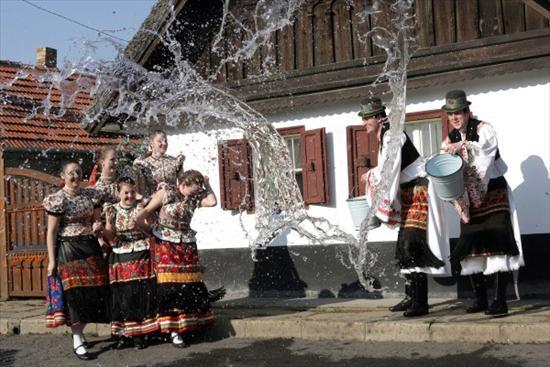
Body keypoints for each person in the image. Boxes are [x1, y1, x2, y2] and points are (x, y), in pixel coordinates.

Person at [359, 97, 451, 317]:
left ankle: (421, 303)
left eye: (366, 119)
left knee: (413, 243)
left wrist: (370, 175)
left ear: (378, 118)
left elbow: (390, 169)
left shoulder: (393, 135)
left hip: (420, 190)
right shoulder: (386, 135)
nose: (364, 124)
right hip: (408, 191)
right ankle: (411, 296)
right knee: (403, 245)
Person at [440, 90, 524, 315]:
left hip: (493, 190)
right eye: (451, 114)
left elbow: (485, 155)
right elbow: (446, 165)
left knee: (497, 244)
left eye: (458, 112)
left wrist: (463, 149)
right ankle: (481, 299)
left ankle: (500, 301)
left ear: (467, 111)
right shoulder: (451, 138)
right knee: (471, 245)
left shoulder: (483, 129)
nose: (455, 117)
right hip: (469, 197)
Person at [135, 170, 217, 347]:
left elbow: (212, 202)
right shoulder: (166, 192)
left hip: (186, 245)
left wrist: (207, 184)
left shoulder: (194, 199)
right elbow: (144, 213)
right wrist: (152, 233)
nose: (196, 193)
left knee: (188, 285)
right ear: (183, 184)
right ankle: (172, 330)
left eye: (198, 190)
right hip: (166, 245)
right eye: (194, 190)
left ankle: (187, 325)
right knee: (170, 287)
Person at [43, 162, 110, 360]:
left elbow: (95, 222)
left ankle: (81, 331)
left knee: (93, 293)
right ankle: (77, 338)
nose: (75, 176)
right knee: (75, 295)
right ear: (63, 175)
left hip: (90, 247)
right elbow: (52, 232)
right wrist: (52, 260)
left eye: (78, 172)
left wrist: (100, 236)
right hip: (69, 249)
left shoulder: (91, 195)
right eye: (71, 172)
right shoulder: (57, 200)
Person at [101, 177, 158, 349]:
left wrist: (140, 225)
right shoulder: (112, 210)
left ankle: (140, 335)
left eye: (132, 192)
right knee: (123, 296)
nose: (130, 195)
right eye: (126, 192)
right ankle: (124, 335)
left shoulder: (142, 208)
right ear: (118, 194)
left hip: (141, 252)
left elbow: (150, 230)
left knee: (140, 294)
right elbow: (111, 235)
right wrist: (101, 231)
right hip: (120, 254)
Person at [132, 130, 185, 197]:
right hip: (152, 200)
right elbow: (140, 188)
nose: (164, 143)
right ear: (151, 143)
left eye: (165, 141)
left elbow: (182, 184)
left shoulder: (175, 161)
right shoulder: (143, 163)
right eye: (160, 141)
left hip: (173, 199)